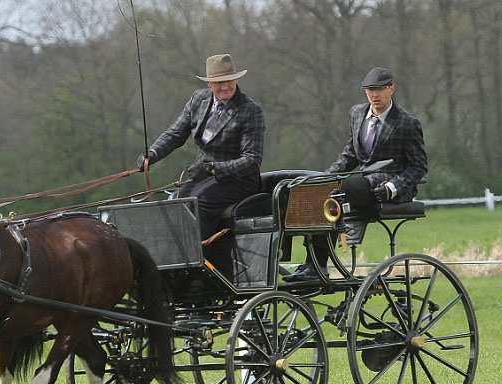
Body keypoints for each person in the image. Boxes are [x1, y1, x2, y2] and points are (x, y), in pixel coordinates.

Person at [286, 66, 428, 282]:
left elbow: (418, 167)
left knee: (337, 193)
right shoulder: (357, 113)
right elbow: (351, 154)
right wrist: (324, 178)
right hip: (364, 182)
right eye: (370, 90)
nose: (374, 95)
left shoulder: (407, 123)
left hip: (388, 185)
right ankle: (311, 262)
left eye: (380, 89)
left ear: (392, 89)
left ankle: (319, 266)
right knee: (317, 189)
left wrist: (393, 187)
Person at [137, 53, 264, 274]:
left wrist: (213, 168)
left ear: (236, 80)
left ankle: (197, 267)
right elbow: (176, 133)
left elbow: (251, 160)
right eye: (218, 82)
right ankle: (171, 262)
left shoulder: (250, 111)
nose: (224, 87)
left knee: (197, 203)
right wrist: (153, 153)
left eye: (228, 81)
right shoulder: (198, 100)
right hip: (204, 178)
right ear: (208, 83)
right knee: (176, 203)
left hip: (239, 180)